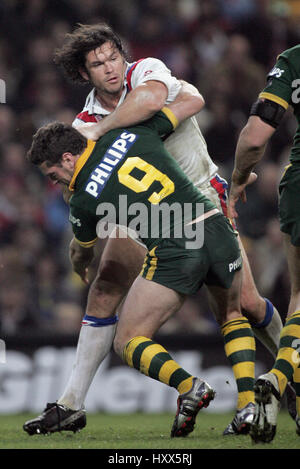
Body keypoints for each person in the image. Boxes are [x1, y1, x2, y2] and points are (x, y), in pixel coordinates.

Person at [24, 23, 287, 437]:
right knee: (105, 286)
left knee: (246, 306)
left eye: (113, 56)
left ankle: (286, 385)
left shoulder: (143, 71)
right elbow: (84, 187)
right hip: (147, 214)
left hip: (201, 195)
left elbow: (178, 98)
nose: (110, 68)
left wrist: (103, 133)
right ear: (84, 74)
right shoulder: (84, 119)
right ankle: (71, 402)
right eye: (97, 64)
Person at [228, 44, 300, 443]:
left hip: (298, 183)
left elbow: (256, 136)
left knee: (299, 298)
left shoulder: (293, 59)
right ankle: (278, 376)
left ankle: (280, 381)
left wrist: (238, 178)